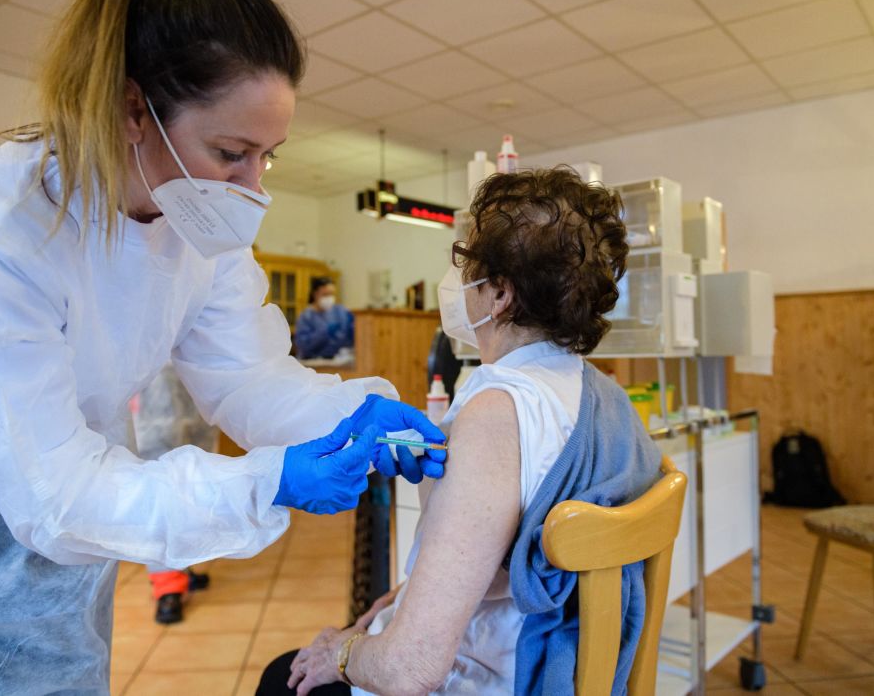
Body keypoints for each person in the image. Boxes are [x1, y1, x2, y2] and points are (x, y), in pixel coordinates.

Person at [0, 0, 446, 693]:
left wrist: (350, 413)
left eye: (267, 159)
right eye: (231, 153)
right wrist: (266, 481)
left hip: (67, 520)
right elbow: (55, 497)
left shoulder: (193, 219)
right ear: (132, 109)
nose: (252, 190)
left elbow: (246, 378)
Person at [258, 168, 663, 695]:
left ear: (497, 293)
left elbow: (410, 670)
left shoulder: (496, 411)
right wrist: (408, 598)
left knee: (282, 679)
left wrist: (343, 650)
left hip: (497, 675)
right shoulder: (603, 394)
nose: (457, 279)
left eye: (466, 258)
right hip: (584, 666)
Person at [131, 364, 219, 625]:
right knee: (159, 491)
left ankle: (180, 565)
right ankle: (166, 585)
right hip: (151, 390)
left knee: (192, 483)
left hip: (191, 381)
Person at [295, 277, 354, 359]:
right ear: (315, 294)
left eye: (332, 294)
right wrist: (324, 333)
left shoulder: (340, 311)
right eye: (325, 294)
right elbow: (304, 346)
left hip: (338, 360)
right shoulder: (306, 317)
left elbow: (349, 339)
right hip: (314, 362)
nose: (329, 297)